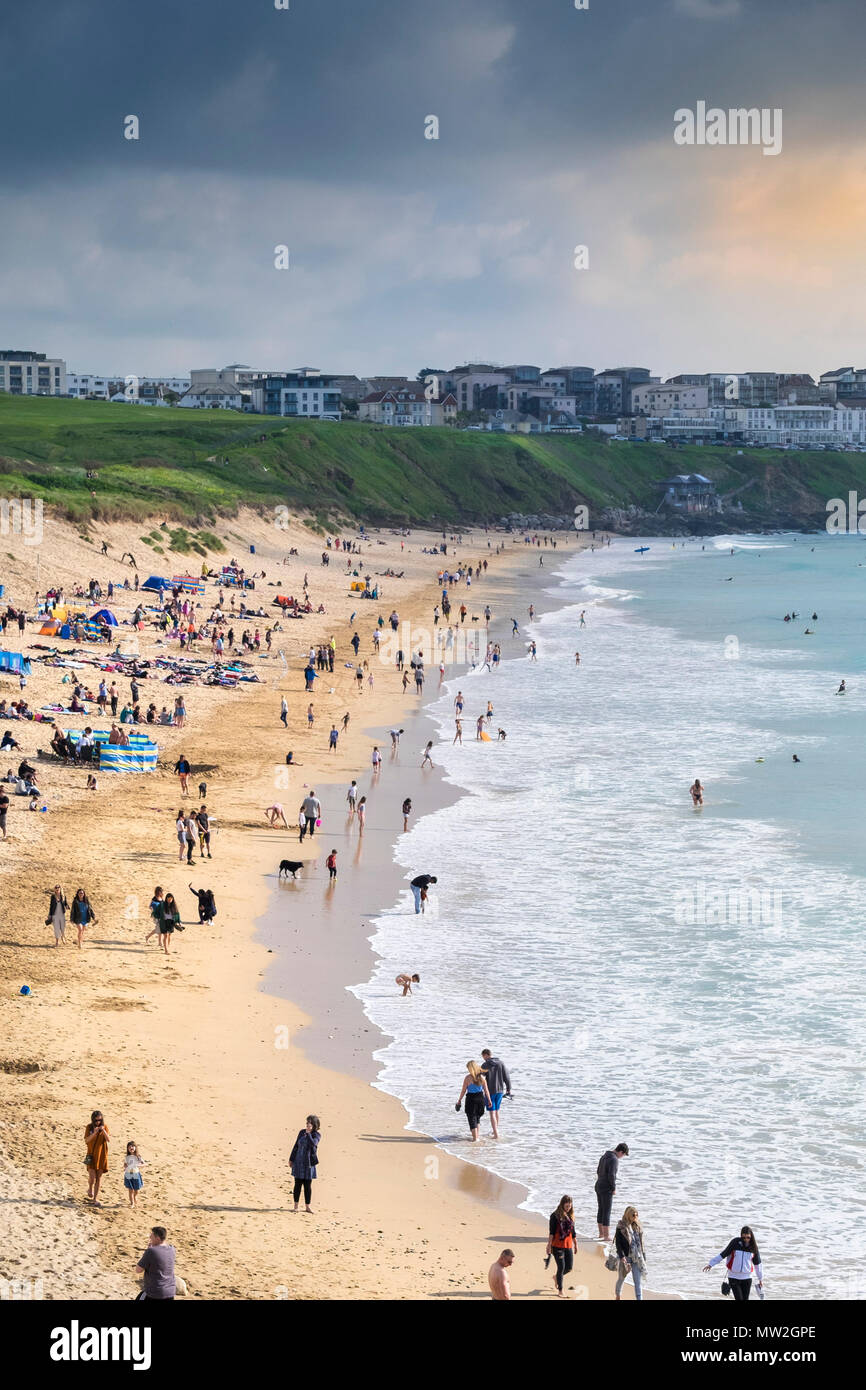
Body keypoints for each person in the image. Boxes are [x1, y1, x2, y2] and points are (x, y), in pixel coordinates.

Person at [703, 1226, 763, 1300]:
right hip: (733, 1277)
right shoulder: (735, 1242)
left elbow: (757, 1264)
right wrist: (711, 1264)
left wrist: (760, 1279)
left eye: (748, 1237)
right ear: (741, 1236)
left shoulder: (753, 1247)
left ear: (751, 1237)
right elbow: (723, 1254)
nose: (746, 1240)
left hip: (747, 1278)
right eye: (743, 1237)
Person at [595, 1143, 629, 1241]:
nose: (622, 1157)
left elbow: (598, 1171)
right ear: (621, 1152)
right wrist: (613, 1188)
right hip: (606, 1187)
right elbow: (611, 1175)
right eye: (623, 1155)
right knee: (607, 1211)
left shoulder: (604, 1156)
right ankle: (606, 1236)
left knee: (601, 1209)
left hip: (598, 1184)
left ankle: (601, 1234)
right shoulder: (614, 1159)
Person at [614, 1206, 647, 1301]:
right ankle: (618, 1295)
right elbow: (618, 1244)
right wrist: (622, 1257)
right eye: (633, 1215)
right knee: (621, 1278)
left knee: (637, 1282)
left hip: (637, 1258)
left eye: (637, 1215)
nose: (635, 1217)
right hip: (625, 1257)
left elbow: (641, 1244)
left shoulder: (637, 1226)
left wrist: (644, 1257)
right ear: (628, 1215)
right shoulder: (621, 1227)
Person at [547, 1195, 577, 1297]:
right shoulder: (555, 1216)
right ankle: (560, 1290)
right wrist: (548, 1245)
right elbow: (551, 1232)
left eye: (570, 1206)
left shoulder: (571, 1216)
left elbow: (573, 1232)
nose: (568, 1208)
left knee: (569, 1267)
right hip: (557, 1245)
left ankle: (556, 1278)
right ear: (562, 1204)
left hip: (568, 1245)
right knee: (561, 1267)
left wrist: (575, 1244)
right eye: (566, 1205)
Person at [289, 1115, 321, 1213]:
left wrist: (309, 1134)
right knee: (297, 1184)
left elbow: (313, 1144)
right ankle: (296, 1206)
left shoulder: (317, 1135)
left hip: (309, 1163)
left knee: (307, 1185)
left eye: (309, 1123)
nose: (307, 1124)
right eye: (307, 1122)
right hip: (298, 1161)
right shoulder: (301, 1132)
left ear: (314, 1125)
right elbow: (296, 1146)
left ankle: (307, 1207)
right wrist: (291, 1159)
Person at [135, 1227, 177, 1300]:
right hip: (170, 1293)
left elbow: (138, 1270)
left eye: (152, 1236)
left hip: (155, 1293)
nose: (150, 1237)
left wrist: (148, 1251)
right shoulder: (172, 1249)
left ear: (157, 1238)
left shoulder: (151, 1251)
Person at [455, 1060, 492, 1142]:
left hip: (471, 1100)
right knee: (477, 1119)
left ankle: (475, 1140)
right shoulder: (482, 1078)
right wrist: (489, 1101)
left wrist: (459, 1100)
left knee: (472, 1119)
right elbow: (486, 1091)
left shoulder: (468, 1078)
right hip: (480, 1099)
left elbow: (463, 1090)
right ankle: (477, 1137)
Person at [480, 1049, 511, 1138]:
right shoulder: (501, 1063)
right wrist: (508, 1089)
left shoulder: (486, 1064)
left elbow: (480, 1077)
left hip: (490, 1091)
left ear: (485, 1055)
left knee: (492, 1113)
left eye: (483, 1057)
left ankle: (496, 1135)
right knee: (497, 1111)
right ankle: (495, 1131)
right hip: (500, 1091)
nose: (483, 1058)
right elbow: (507, 1077)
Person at [84, 1110, 109, 1204]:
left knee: (99, 1178)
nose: (98, 1122)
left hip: (102, 1155)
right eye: (96, 1121)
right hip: (90, 1155)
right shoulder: (89, 1127)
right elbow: (86, 1140)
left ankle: (95, 1199)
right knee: (92, 1176)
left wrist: (103, 1131)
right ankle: (90, 1188)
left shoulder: (105, 1127)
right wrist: (94, 1133)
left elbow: (108, 1139)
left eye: (100, 1120)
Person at [123, 1141, 147, 1208]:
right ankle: (132, 1203)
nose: (131, 1147)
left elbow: (145, 1164)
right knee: (130, 1190)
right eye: (129, 1146)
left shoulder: (138, 1157)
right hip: (128, 1174)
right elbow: (125, 1164)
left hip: (136, 1174)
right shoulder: (127, 1157)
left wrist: (139, 1165)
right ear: (127, 1148)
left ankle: (135, 1197)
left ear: (135, 1148)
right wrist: (125, 1167)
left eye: (133, 1146)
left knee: (136, 1190)